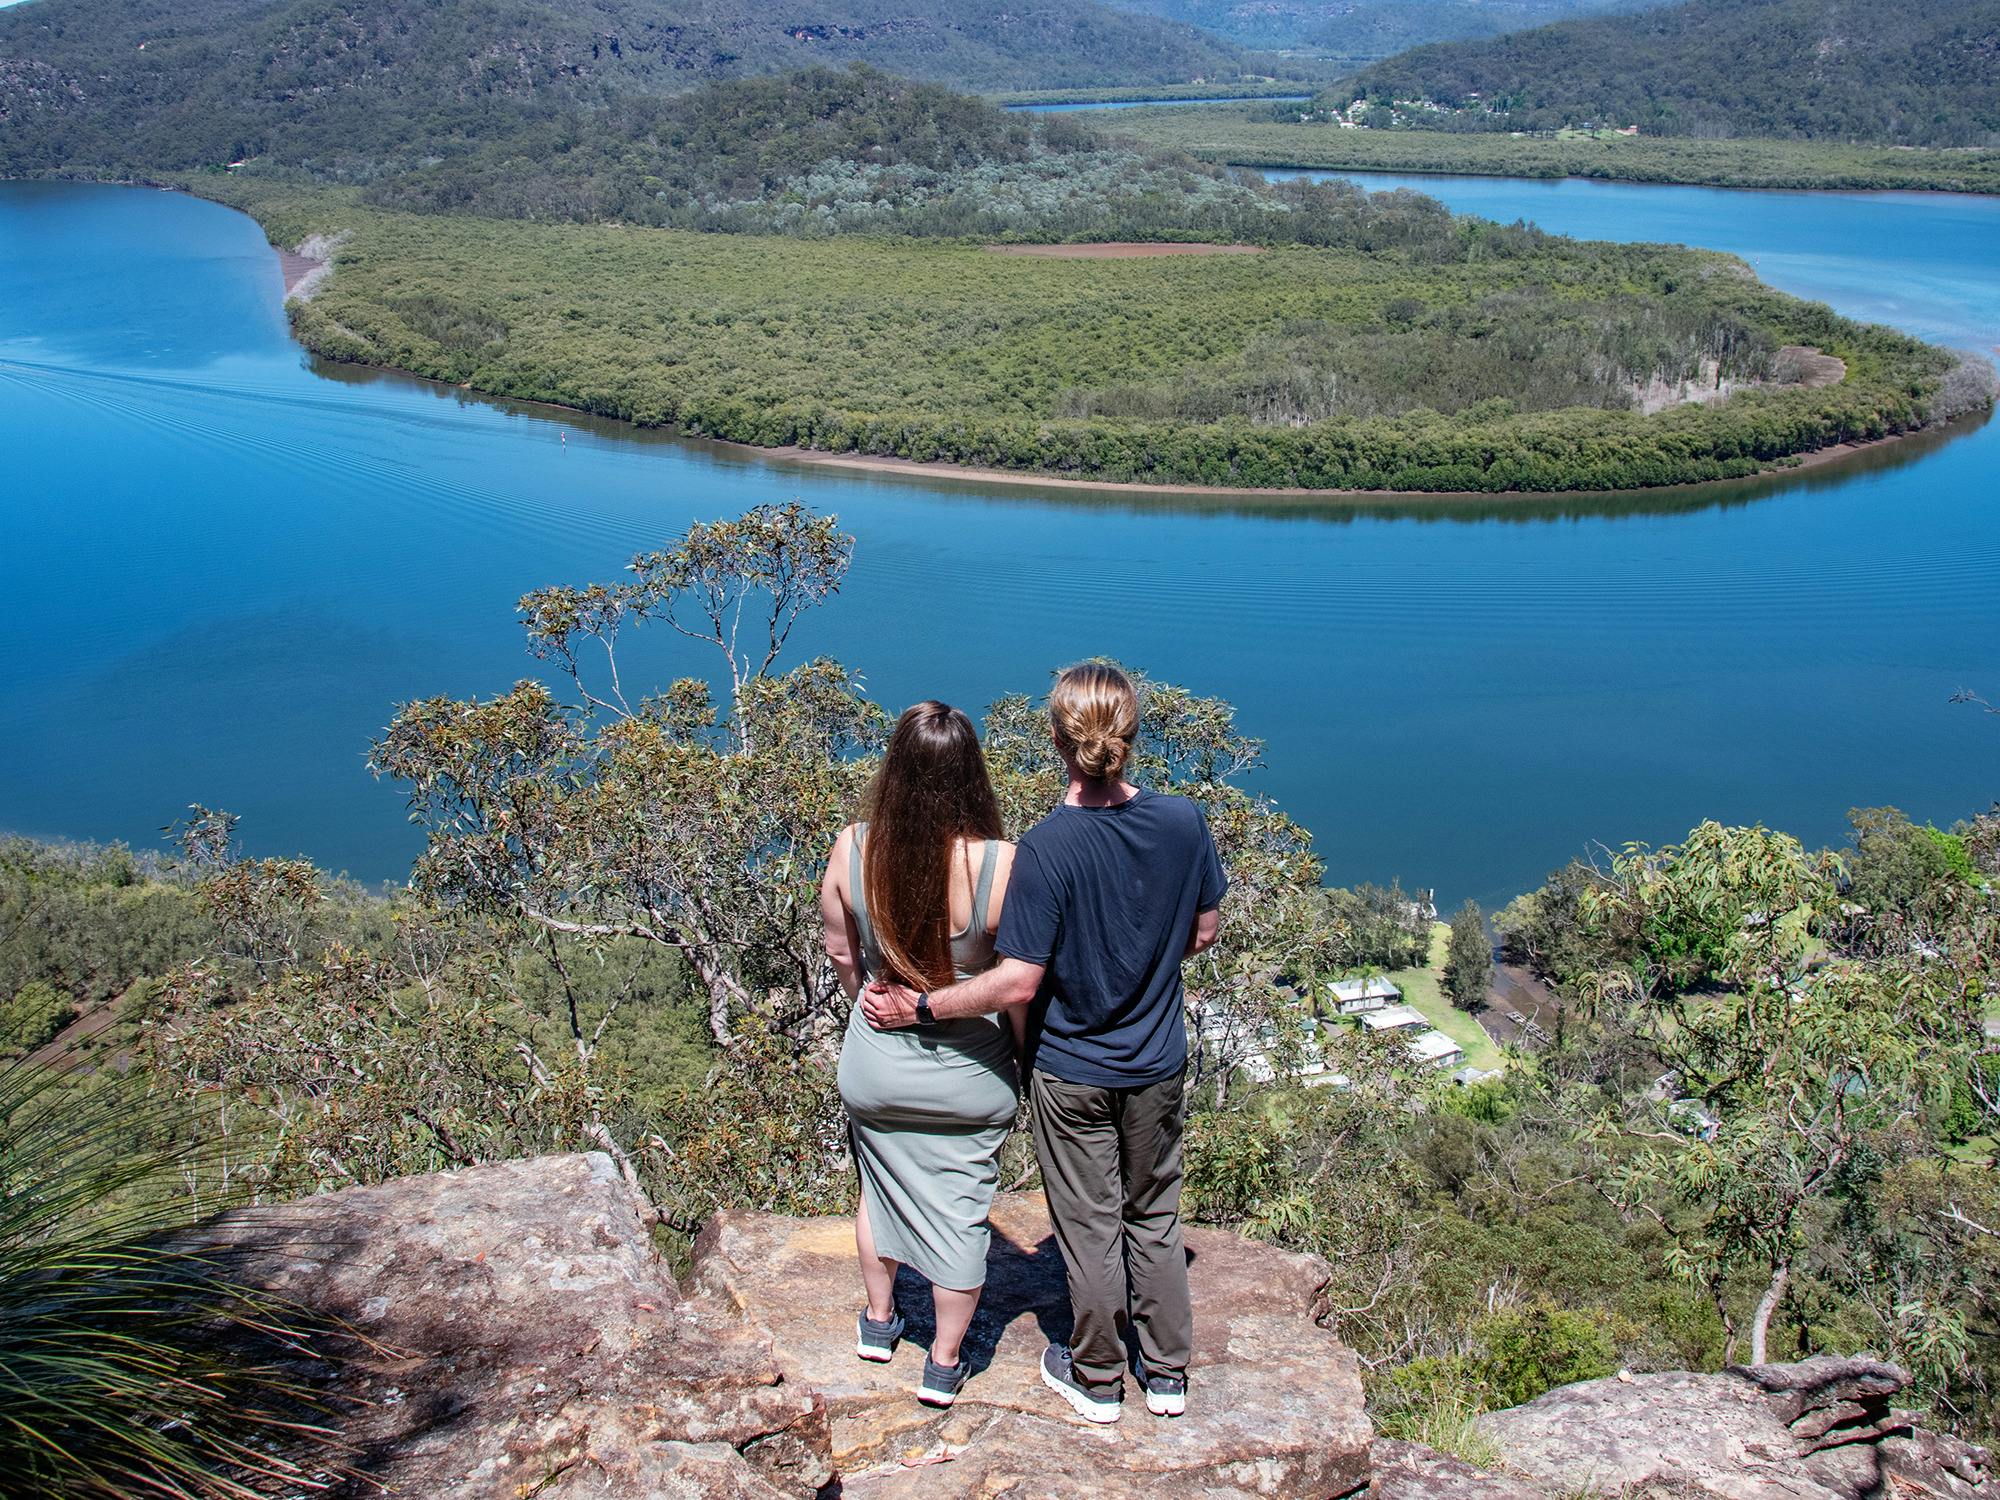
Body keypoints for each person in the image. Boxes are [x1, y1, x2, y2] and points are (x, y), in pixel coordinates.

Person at [863, 663, 1225, 1425]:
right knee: (1154, 1215)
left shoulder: (1048, 848)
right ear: (1131, 734)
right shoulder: (1184, 822)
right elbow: (1203, 931)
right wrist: (1145, 957)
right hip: (1157, 1062)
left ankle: (1097, 1377)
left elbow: (1018, 981)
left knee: (1089, 1224)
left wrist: (922, 1006)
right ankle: (1167, 1375)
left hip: (1072, 1069)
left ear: (1058, 741)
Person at [822, 701, 1025, 1410]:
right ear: (971, 773)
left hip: (877, 1065)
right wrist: (1023, 1058)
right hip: (971, 1075)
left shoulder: (854, 847)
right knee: (962, 1207)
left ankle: (879, 1324)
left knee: (879, 1188)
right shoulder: (1003, 864)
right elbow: (1019, 984)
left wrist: (869, 1005)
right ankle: (943, 1362)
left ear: (895, 771)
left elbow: (840, 950)